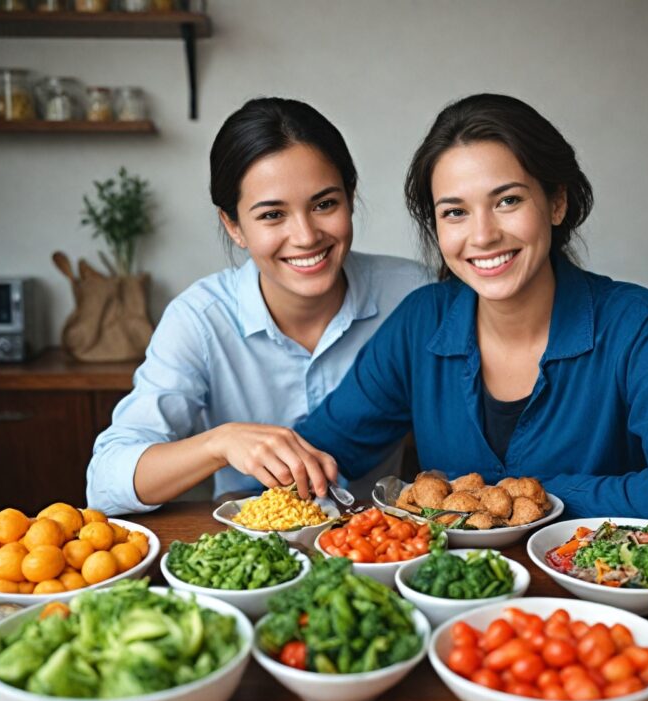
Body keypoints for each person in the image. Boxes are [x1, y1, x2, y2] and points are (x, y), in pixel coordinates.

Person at [293, 93, 648, 527]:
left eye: (507, 200)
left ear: (557, 202)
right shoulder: (421, 322)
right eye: (455, 212)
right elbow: (317, 458)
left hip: (594, 597)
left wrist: (528, 498)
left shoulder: (636, 324)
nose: (483, 235)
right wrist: (224, 444)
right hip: (449, 597)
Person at [86, 97, 430, 516]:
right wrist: (220, 443)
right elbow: (103, 482)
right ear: (234, 226)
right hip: (251, 551)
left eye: (324, 204)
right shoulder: (199, 319)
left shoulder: (416, 294)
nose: (305, 236)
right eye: (272, 215)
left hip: (379, 547)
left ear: (350, 197)